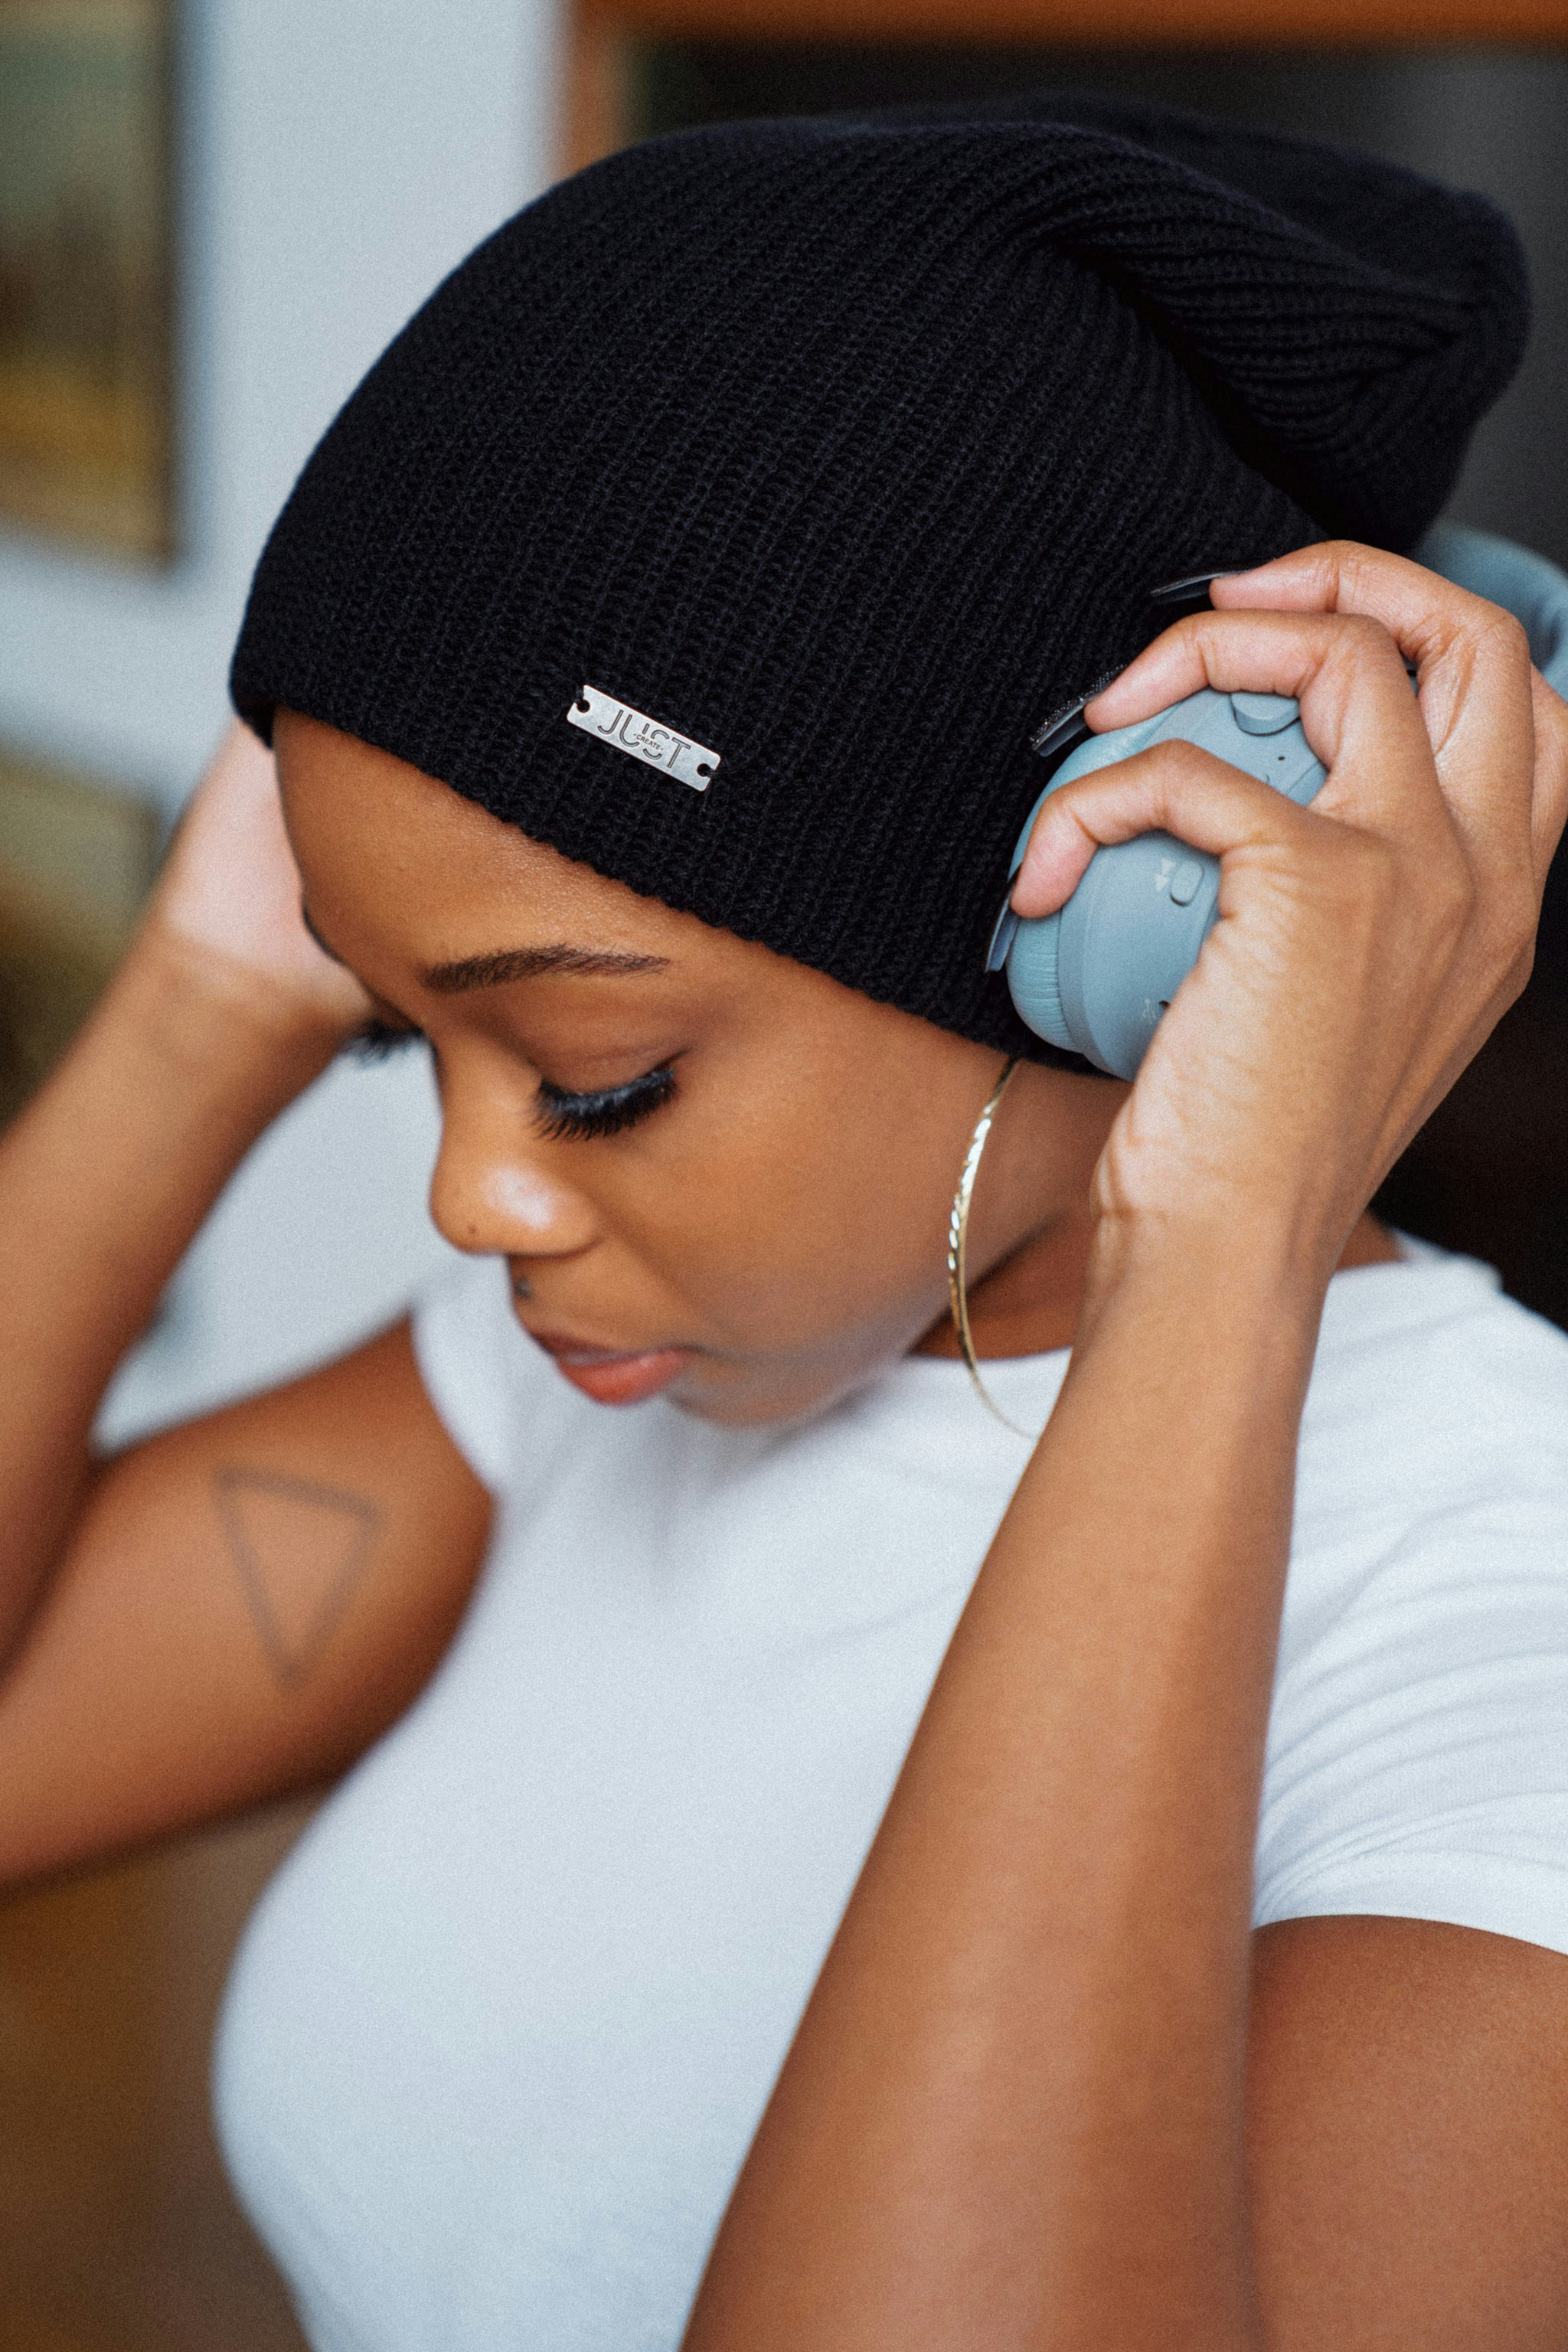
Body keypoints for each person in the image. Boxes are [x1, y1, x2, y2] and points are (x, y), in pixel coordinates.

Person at [3, 93, 1568, 2352]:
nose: (475, 1199)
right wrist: (206, 1007)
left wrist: (1221, 1247)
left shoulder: (1492, 1654)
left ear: (1130, 920)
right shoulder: (603, 1388)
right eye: (396, 1033)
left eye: (598, 1074)